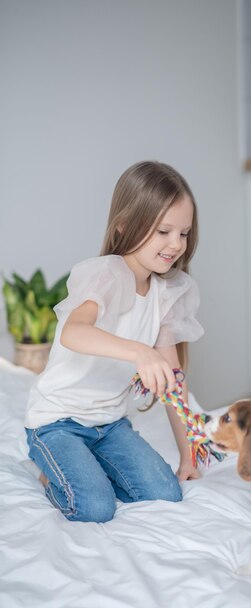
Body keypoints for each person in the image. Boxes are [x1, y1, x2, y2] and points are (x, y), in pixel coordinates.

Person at [24, 161, 204, 523]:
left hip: (110, 425)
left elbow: (174, 383)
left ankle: (87, 464)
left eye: (183, 234)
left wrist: (189, 456)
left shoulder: (166, 292)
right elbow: (75, 332)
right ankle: (51, 470)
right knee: (94, 508)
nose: (175, 245)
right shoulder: (105, 274)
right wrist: (140, 352)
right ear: (125, 226)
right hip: (58, 421)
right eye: (163, 231)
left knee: (165, 493)